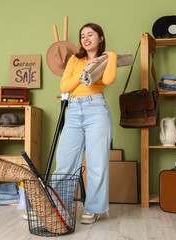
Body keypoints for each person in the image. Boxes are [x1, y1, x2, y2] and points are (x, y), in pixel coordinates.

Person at [54, 23, 117, 224]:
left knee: (96, 163)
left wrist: (112, 57)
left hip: (96, 109)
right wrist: (85, 74)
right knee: (65, 162)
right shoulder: (75, 59)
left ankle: (94, 208)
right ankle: (57, 206)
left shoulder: (105, 59)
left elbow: (109, 80)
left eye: (90, 34)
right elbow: (64, 85)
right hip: (73, 110)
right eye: (82, 35)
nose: (86, 38)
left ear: (100, 38)